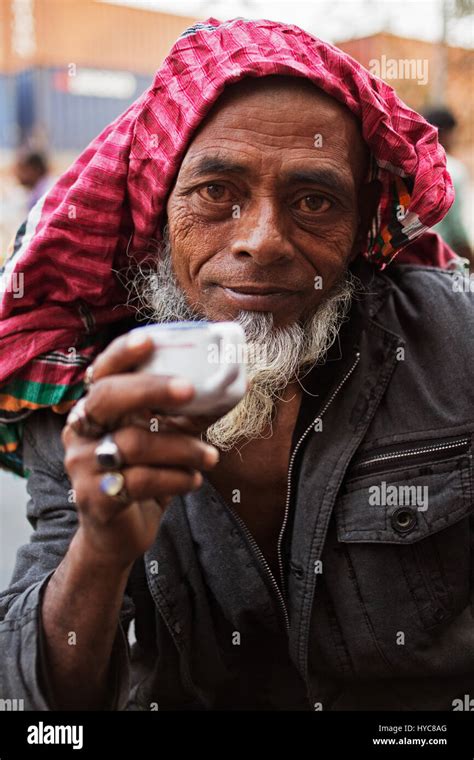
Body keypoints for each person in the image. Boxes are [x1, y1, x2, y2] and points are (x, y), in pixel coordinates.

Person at [0, 18, 472, 712]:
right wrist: (101, 553)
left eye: (314, 201)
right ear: (157, 209)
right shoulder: (90, 390)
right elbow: (33, 705)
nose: (262, 242)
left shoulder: (453, 338)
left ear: (360, 225)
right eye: (218, 192)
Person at [423, 107, 472, 264]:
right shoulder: (454, 170)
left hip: (407, 256)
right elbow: (459, 229)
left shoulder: (410, 163)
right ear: (447, 134)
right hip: (441, 261)